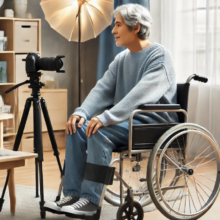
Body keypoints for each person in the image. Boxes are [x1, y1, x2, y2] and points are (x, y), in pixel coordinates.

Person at [45, 4, 179, 215]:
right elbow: (102, 89)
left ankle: (90, 201)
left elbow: (140, 95)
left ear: (136, 27)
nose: (113, 31)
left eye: (118, 25)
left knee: (97, 132)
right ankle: (71, 194)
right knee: (76, 127)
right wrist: (81, 112)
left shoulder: (159, 56)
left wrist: (107, 117)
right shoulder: (121, 59)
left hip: (151, 123)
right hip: (125, 121)